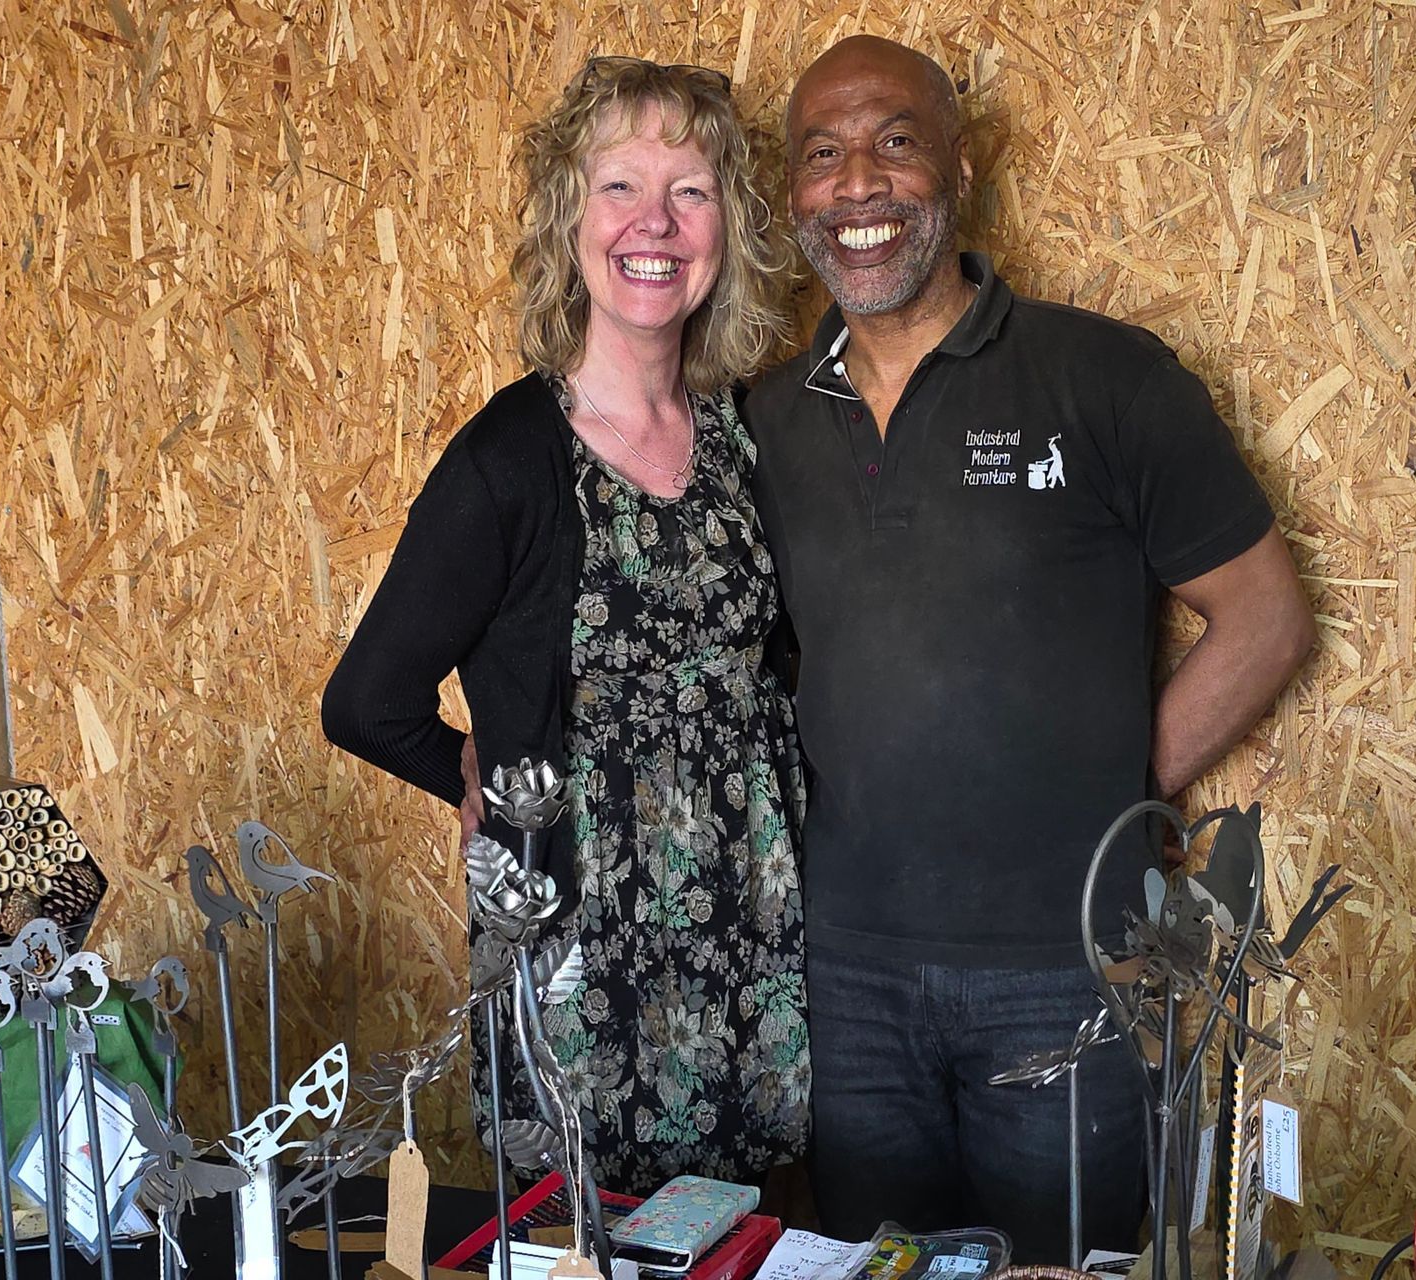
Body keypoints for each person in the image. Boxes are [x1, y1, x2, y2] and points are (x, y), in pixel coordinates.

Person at [744, 35, 1316, 1259]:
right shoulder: (766, 420)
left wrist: (1118, 782)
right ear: (790, 192)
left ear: (960, 166)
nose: (858, 184)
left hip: (1068, 973)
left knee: (1066, 1265)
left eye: (896, 141)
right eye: (822, 154)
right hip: (844, 979)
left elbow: (1267, 615)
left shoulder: (1102, 377)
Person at [321, 57, 809, 1194]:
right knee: (593, 1233)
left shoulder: (749, 434)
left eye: (690, 191)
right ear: (568, 220)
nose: (655, 223)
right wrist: (473, 771)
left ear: (728, 228)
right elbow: (365, 702)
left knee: (751, 1232)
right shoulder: (508, 457)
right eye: (619, 186)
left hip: (753, 929)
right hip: (581, 946)